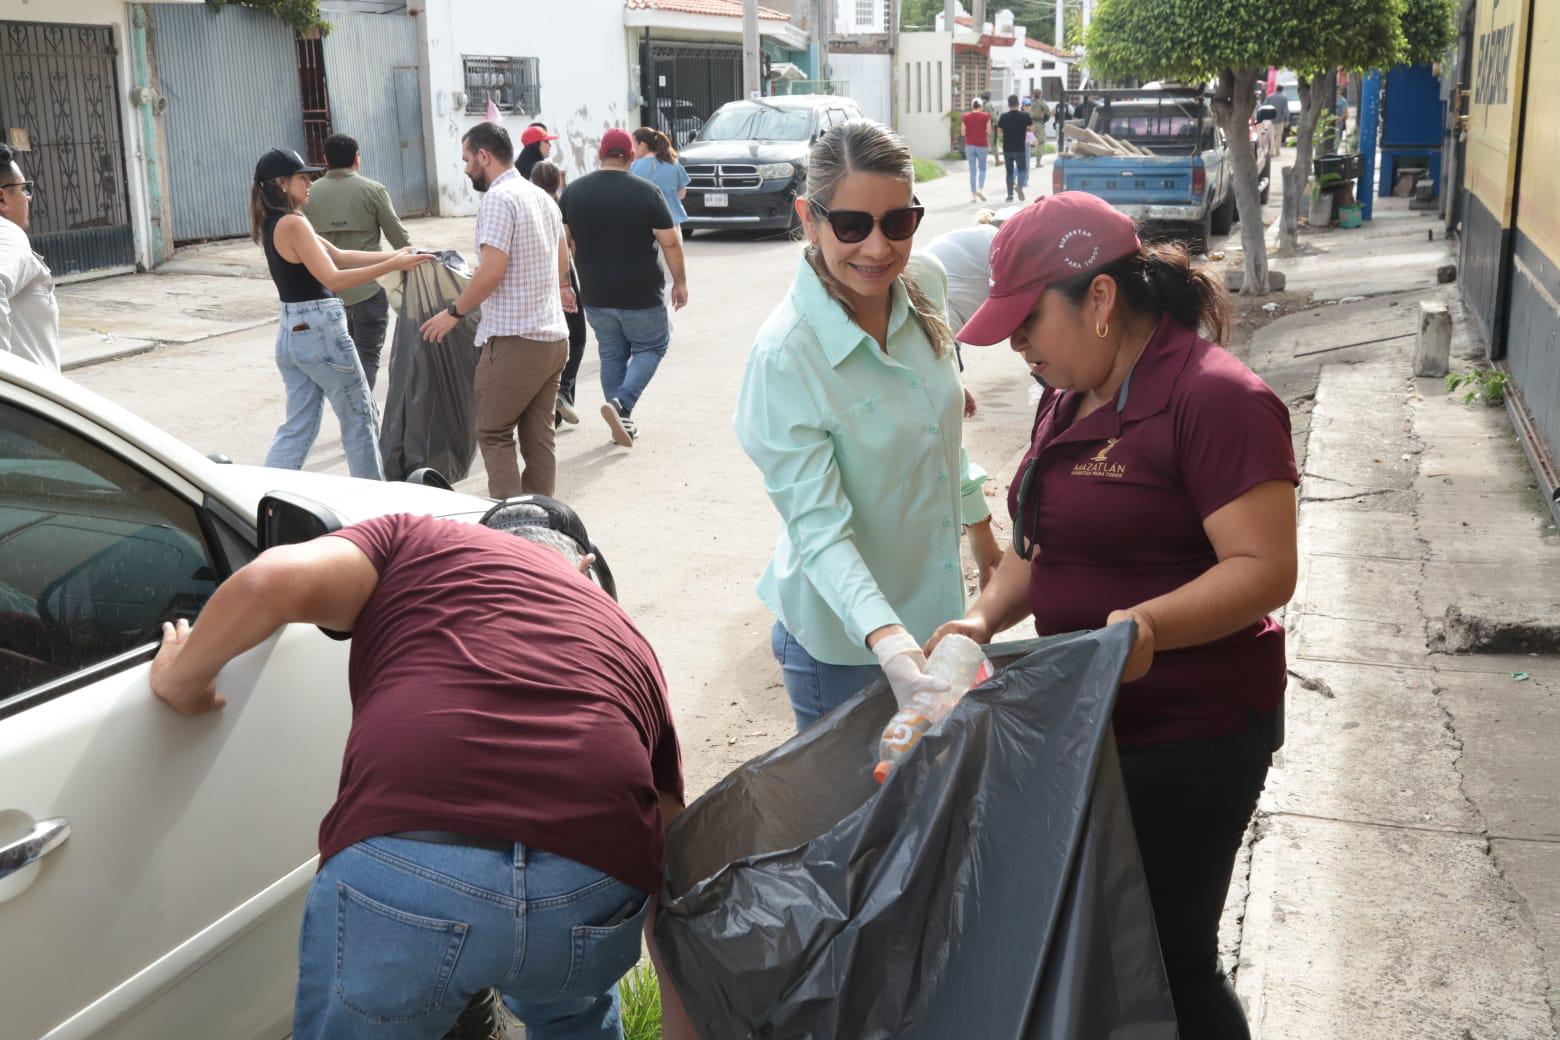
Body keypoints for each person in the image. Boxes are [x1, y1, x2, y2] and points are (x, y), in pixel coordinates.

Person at [932, 191, 1299, 1040]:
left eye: (1027, 323)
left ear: (1100, 300)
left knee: (1167, 958)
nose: (1017, 345)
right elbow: (1040, 549)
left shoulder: (1215, 399)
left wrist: (1150, 627)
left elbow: (1265, 566)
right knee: (1096, 948)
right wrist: (981, 621)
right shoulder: (1069, 394)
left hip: (1190, 735)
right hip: (1088, 724)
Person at [146, 508, 694, 1040]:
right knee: (572, 1007)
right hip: (587, 881)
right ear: (585, 566)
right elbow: (682, 864)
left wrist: (183, 679)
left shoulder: (419, 539)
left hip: (414, 865)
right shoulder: (629, 639)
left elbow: (268, 578)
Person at [734, 119, 1001, 732]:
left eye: (897, 223)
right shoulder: (786, 358)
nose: (877, 249)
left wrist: (979, 525)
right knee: (859, 825)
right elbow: (818, 530)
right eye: (852, 226)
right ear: (809, 217)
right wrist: (890, 645)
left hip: (937, 619)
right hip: (847, 649)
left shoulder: (924, 284)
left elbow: (939, 427)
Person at [251, 148, 427, 480]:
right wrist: (393, 265)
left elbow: (339, 255)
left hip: (293, 331)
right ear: (280, 183)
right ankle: (374, 506)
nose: (310, 184)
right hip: (320, 329)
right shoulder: (292, 223)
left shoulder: (280, 221)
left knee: (299, 426)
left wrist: (394, 254)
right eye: (303, 178)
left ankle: (264, 495)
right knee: (360, 417)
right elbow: (332, 277)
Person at [418, 123, 574, 499]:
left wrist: (452, 313)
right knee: (539, 439)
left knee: (493, 431)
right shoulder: (542, 197)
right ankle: (541, 523)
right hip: (553, 339)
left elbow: (492, 271)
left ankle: (512, 526)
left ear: (484, 156)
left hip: (515, 340)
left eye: (468, 160)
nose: (467, 168)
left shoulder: (498, 200)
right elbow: (562, 259)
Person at [560, 128, 688, 448]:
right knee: (653, 347)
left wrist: (565, 283)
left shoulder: (573, 192)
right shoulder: (647, 191)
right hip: (641, 293)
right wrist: (681, 282)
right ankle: (622, 404)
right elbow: (670, 241)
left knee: (611, 355)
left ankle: (621, 421)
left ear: (600, 155)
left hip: (595, 293)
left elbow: (564, 243)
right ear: (631, 156)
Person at [302, 133, 412, 389]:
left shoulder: (309, 194)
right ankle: (362, 419)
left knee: (337, 361)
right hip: (369, 289)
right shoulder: (373, 190)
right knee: (367, 358)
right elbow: (399, 238)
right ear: (357, 159)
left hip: (325, 292)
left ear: (326, 160)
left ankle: (351, 419)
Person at [529, 160, 588, 429]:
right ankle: (563, 390)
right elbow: (566, 245)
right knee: (574, 337)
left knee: (543, 340)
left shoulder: (525, 204)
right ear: (558, 183)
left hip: (532, 278)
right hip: (560, 275)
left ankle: (551, 408)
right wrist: (567, 285)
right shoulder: (556, 206)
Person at [0, 143, 59, 371]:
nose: (29, 197)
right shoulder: (8, 234)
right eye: (24, 189)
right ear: (2, 198)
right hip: (24, 403)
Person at [630, 127, 690, 228]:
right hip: (672, 222)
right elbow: (682, 194)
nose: (631, 149)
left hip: (644, 222)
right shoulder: (674, 164)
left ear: (642, 145)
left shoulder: (633, 166)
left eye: (632, 145)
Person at [997, 94, 1034, 202]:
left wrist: (1006, 130)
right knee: (1023, 169)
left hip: (1007, 149)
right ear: (1018, 105)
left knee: (1009, 172)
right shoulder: (1025, 116)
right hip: (1020, 148)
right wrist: (1024, 128)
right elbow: (1032, 129)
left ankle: (1010, 196)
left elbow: (999, 132)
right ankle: (1019, 186)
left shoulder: (1003, 116)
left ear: (1008, 105)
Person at [961, 98, 991, 203]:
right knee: (982, 169)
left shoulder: (965, 117)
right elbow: (989, 131)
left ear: (972, 106)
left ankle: (973, 195)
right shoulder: (986, 116)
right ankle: (980, 189)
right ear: (981, 106)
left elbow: (963, 133)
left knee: (972, 171)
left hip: (969, 146)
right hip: (982, 145)